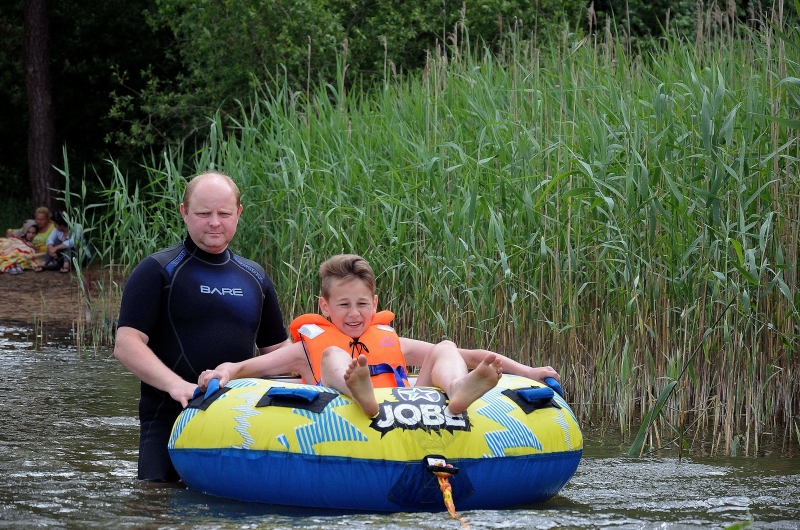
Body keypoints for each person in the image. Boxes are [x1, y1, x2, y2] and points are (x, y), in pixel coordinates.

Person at [199, 254, 560, 418]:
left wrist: (528, 372)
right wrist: (223, 371)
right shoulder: (305, 350)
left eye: (361, 304)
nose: (354, 314)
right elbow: (248, 367)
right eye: (343, 305)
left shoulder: (388, 340)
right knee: (333, 356)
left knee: (446, 347)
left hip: (408, 405)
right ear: (325, 307)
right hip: (340, 408)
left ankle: (457, 391)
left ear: (374, 304)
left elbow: (472, 355)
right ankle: (358, 390)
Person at [113, 171, 290, 483]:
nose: (214, 223)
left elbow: (279, 352)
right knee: (155, 503)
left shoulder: (255, 277)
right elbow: (126, 344)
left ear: (239, 213)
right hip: (170, 418)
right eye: (204, 214)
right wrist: (176, 385)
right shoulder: (158, 270)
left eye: (224, 214)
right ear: (184, 212)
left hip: (240, 422)